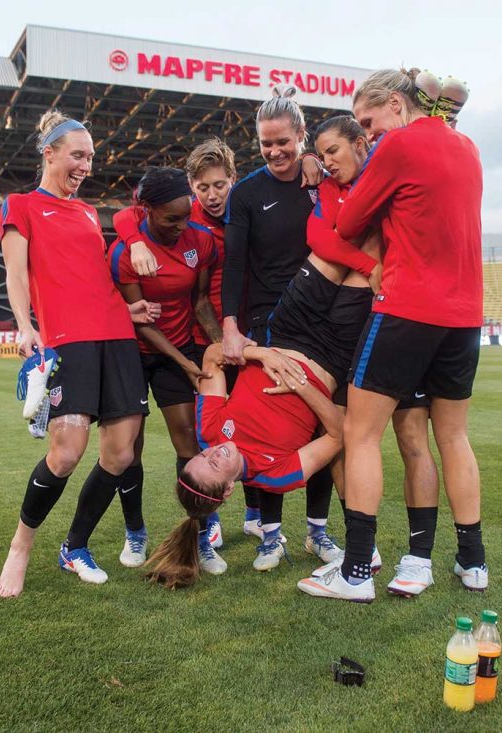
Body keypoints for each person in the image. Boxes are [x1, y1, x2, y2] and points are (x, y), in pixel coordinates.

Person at [298, 68, 486, 603]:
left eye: (368, 120)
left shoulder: (397, 147)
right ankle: (471, 561)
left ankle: (356, 572)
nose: (367, 134)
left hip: (406, 310)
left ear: (397, 105)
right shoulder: (468, 148)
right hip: (464, 316)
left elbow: (349, 221)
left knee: (359, 433)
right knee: (451, 437)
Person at [0, 108, 156, 595]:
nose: (86, 165)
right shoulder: (20, 205)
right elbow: (17, 275)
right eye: (78, 155)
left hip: (117, 336)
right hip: (68, 341)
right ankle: (20, 547)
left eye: (91, 157)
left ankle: (75, 547)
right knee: (65, 453)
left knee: (122, 453)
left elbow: (95, 278)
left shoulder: (88, 212)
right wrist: (25, 326)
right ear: (50, 153)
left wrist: (129, 311)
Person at [219, 85, 339, 569]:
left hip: (328, 321)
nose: (275, 152)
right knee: (265, 430)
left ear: (301, 136)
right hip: (269, 324)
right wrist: (232, 327)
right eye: (266, 144)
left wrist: (315, 164)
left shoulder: (321, 182)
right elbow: (234, 266)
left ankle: (317, 531)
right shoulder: (247, 193)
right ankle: (271, 535)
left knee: (322, 423)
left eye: (284, 142)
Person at [111, 139, 237, 554]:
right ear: (146, 212)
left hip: (179, 349)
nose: (181, 226)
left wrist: (224, 345)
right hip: (134, 352)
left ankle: (203, 535)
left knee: (189, 442)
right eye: (172, 220)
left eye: (186, 218)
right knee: (129, 448)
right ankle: (135, 533)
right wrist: (186, 363)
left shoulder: (200, 241)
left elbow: (200, 303)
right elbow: (140, 321)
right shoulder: (124, 253)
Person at [144, 342, 342, 589]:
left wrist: (263, 354)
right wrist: (298, 384)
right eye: (215, 465)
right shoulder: (275, 475)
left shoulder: (208, 431)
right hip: (333, 355)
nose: (214, 452)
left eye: (203, 456)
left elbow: (213, 357)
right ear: (228, 489)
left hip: (287, 334)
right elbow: (337, 436)